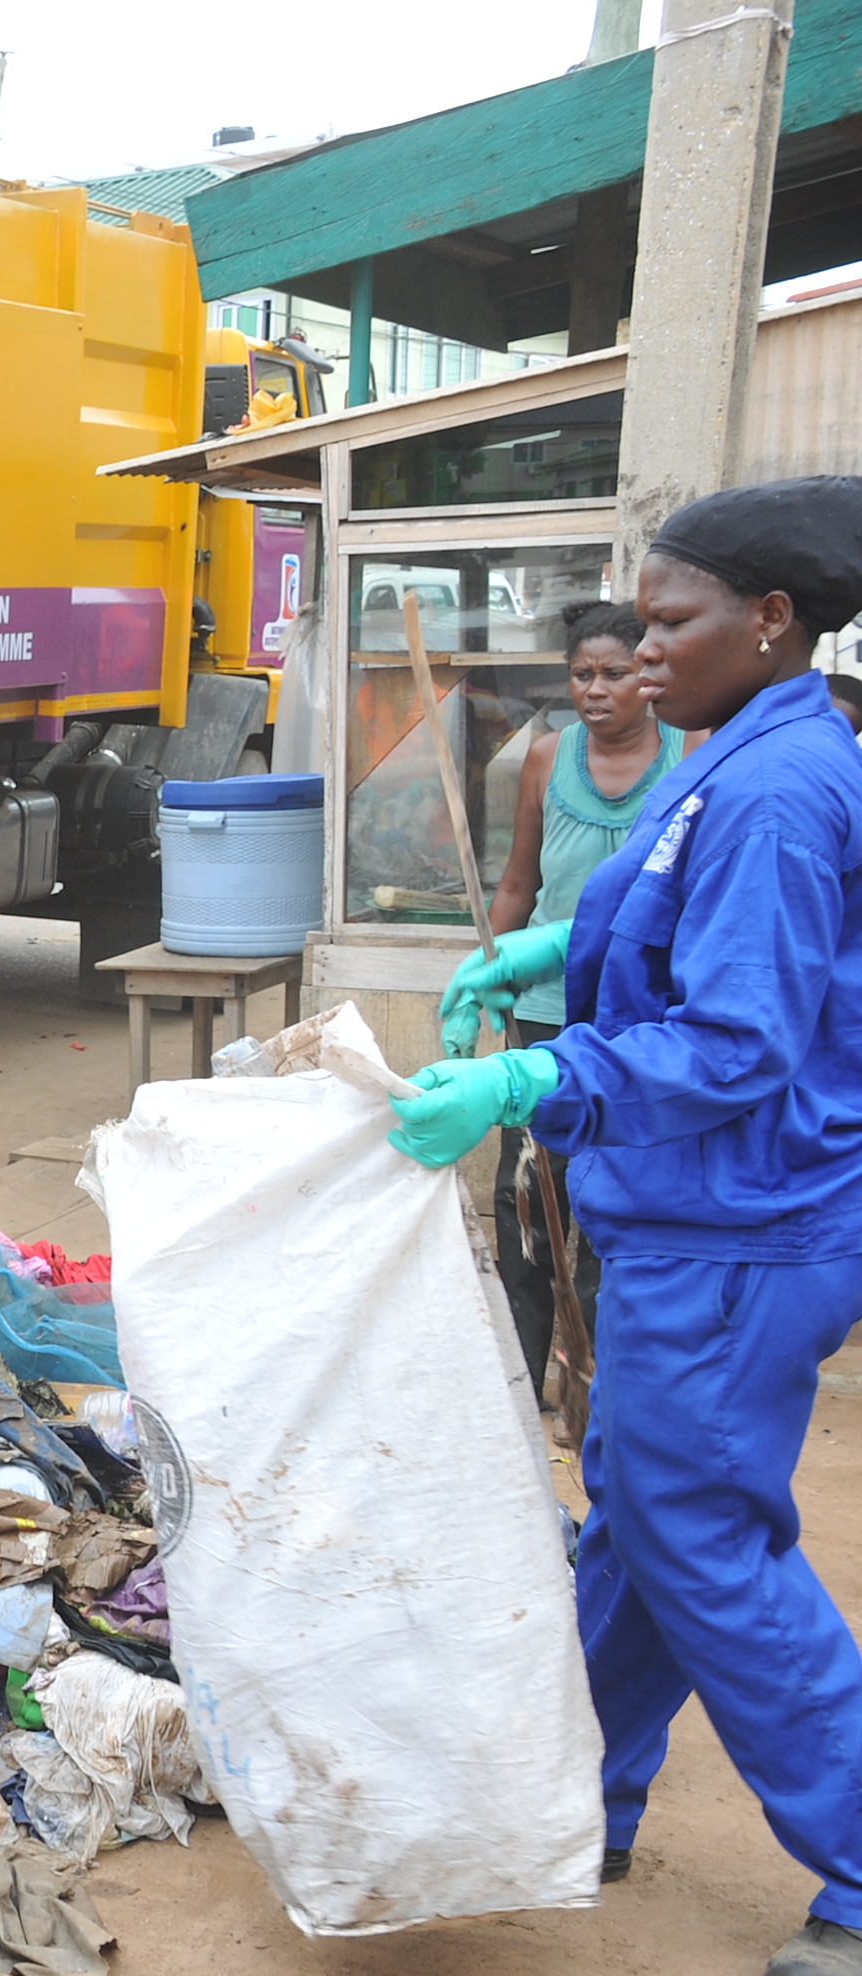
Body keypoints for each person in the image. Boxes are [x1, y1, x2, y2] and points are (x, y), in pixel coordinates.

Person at [400, 476, 862, 1976]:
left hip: (742, 1226)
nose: (641, 652)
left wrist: (537, 1074)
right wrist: (551, 946)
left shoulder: (786, 787)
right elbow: (659, 918)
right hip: (692, 1217)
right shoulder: (738, 749)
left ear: (771, 619)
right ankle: (569, 1792)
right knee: (646, 1527)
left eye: (671, 623)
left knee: (699, 1536)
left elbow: (739, 1042)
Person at [469, 602, 689, 1402]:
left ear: (649, 676)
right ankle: (522, 1384)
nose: (596, 690)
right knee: (528, 1195)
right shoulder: (546, 758)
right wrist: (488, 969)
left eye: (615, 674)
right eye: (582, 674)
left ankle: (596, 1379)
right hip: (545, 1010)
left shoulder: (687, 757)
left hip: (634, 1013)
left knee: (612, 1197)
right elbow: (522, 880)